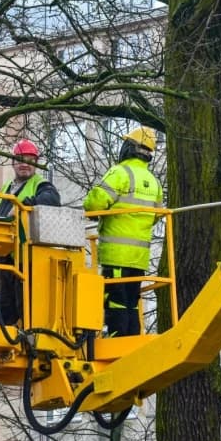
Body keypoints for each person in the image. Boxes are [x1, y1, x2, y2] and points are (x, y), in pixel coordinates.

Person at [83, 127, 163, 337]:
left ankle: (117, 339)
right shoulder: (154, 182)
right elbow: (156, 215)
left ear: (129, 147)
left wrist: (94, 210)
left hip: (116, 254)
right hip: (139, 257)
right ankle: (132, 341)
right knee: (132, 302)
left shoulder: (120, 173)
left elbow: (95, 202)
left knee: (115, 301)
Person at [0, 138, 61, 326]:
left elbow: (52, 199)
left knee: (27, 308)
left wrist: (24, 205)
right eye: (20, 159)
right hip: (5, 260)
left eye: (29, 160)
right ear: (13, 162)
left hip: (27, 260)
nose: (25, 164)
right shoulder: (7, 187)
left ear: (36, 163)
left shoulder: (40, 184)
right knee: (2, 311)